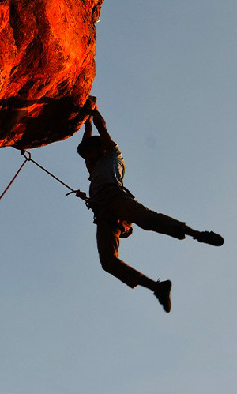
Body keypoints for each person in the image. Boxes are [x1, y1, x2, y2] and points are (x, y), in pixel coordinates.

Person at [75, 97, 224, 313]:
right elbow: (87, 139)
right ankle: (156, 287)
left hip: (116, 199)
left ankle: (196, 233)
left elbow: (102, 130)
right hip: (104, 214)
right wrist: (86, 119)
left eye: (90, 153)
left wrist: (94, 112)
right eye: (86, 155)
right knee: (108, 262)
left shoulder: (112, 156)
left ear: (99, 150)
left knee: (145, 219)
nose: (87, 159)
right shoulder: (95, 166)